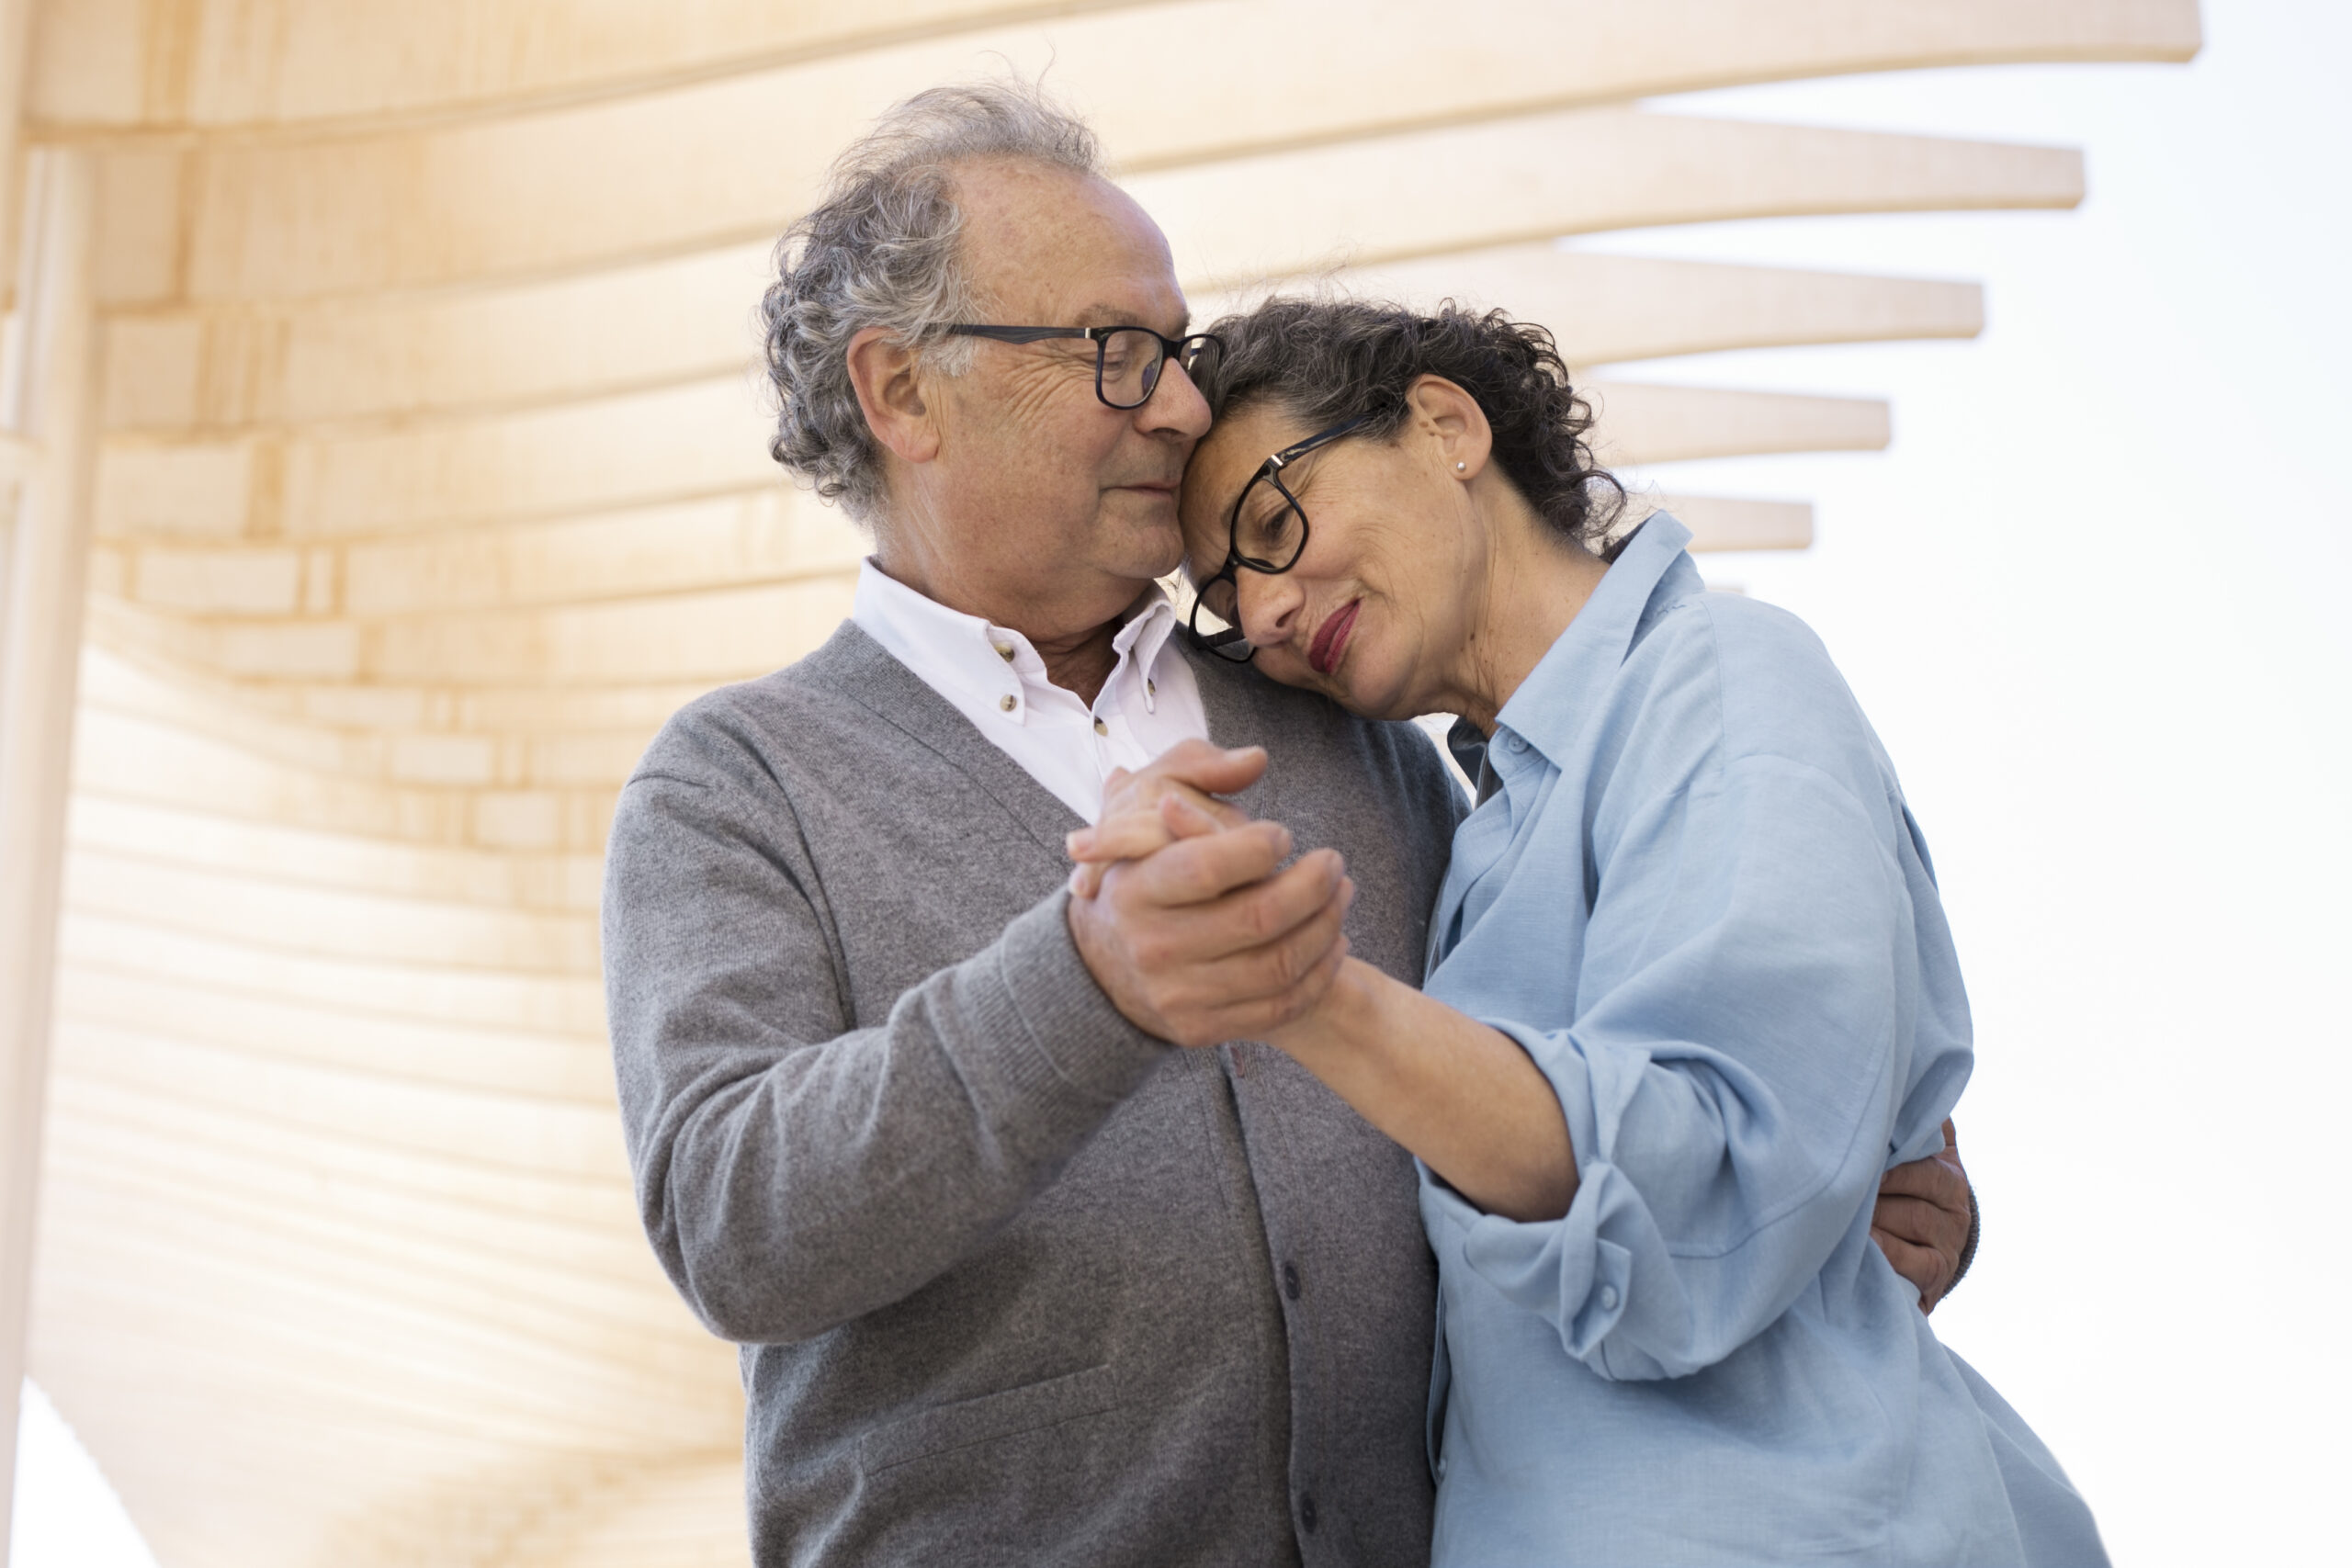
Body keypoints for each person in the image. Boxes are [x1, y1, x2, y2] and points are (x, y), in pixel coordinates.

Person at [601, 81, 1976, 1568]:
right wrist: (1082, 987)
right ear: (903, 391)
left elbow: (1607, 1053)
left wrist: (1876, 1151)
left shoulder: (1351, 735)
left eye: (1177, 355)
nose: (1181, 406)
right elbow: (731, 1217)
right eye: (1120, 354)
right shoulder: (736, 783)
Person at [1073, 297, 2099, 1565]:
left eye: (1276, 524)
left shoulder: (1722, 673)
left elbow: (1719, 1184)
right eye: (1230, 601)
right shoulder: (1479, 839)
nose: (1269, 612)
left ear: (1446, 424)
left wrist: (1300, 991)